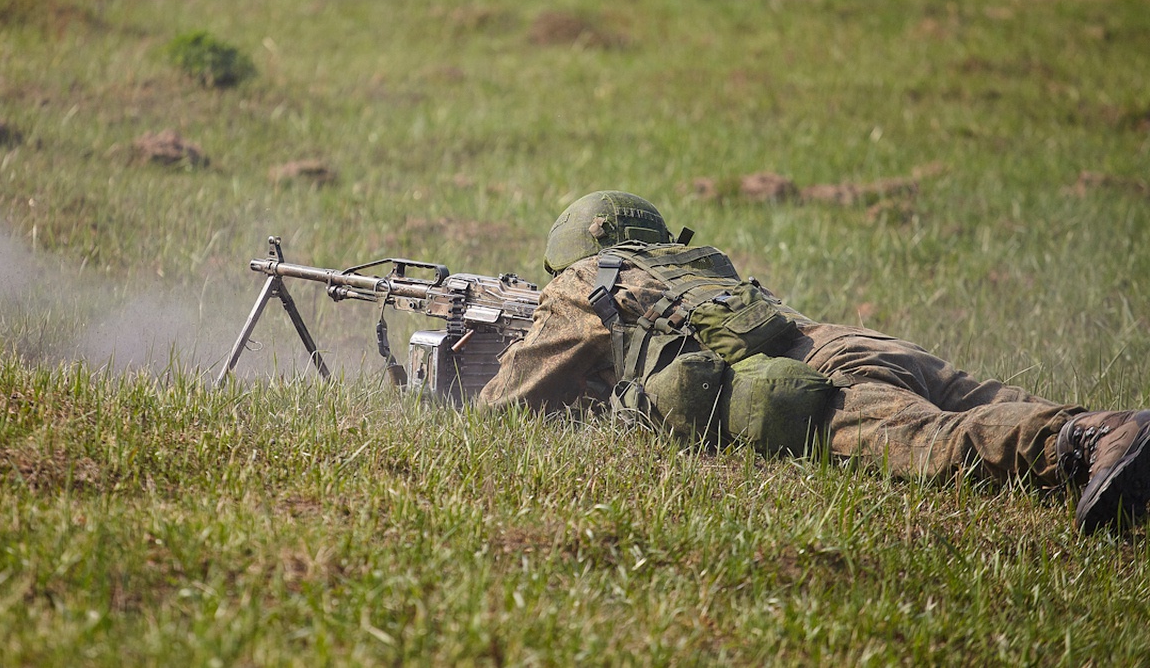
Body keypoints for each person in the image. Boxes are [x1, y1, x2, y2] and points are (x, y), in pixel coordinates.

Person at [479, 191, 1150, 533]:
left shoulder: (584, 282)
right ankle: (1109, 430)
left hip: (814, 385)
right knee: (974, 394)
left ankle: (1080, 441)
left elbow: (508, 402)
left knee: (932, 441)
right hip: (849, 341)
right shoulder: (695, 262)